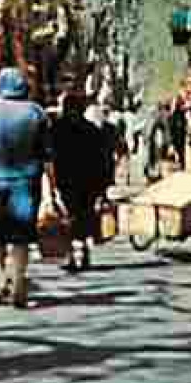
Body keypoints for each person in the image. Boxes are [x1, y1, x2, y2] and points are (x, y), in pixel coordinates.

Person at [0, 67, 52, 307]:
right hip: (27, 181)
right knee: (22, 235)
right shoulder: (36, 112)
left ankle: (1, 279)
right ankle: (19, 280)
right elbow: (46, 153)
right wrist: (52, 185)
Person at [50, 90, 115, 272]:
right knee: (85, 215)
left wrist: (51, 181)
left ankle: (72, 253)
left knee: (70, 215)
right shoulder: (93, 130)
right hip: (89, 181)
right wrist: (105, 184)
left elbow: (50, 156)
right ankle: (84, 250)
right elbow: (104, 158)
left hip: (67, 179)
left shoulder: (57, 129)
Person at [167, 96, 189, 170]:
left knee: (180, 147)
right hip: (179, 130)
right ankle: (181, 163)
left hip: (179, 130)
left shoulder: (179, 112)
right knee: (180, 148)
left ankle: (182, 164)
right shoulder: (180, 111)